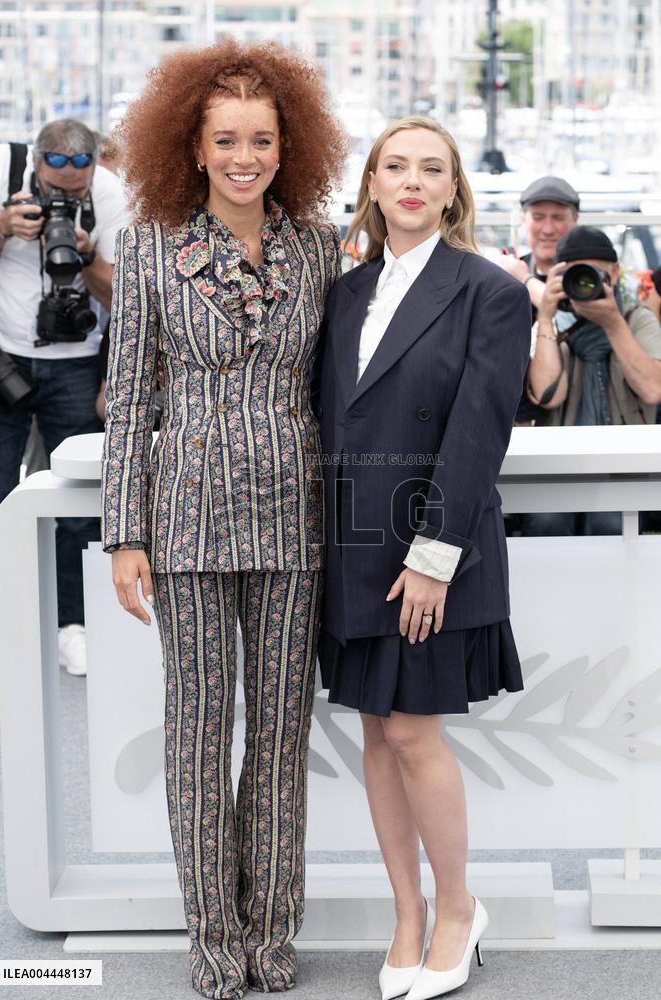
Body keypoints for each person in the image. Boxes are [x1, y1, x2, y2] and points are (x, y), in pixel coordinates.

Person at [101, 40, 346, 1000]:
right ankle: (212, 935)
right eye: (226, 141)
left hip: (294, 521)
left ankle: (272, 926)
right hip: (188, 524)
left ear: (290, 147)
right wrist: (126, 532)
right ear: (193, 150)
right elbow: (129, 400)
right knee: (198, 733)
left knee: (282, 735)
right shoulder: (154, 248)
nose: (245, 157)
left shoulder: (321, 248)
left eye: (263, 140)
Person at [316, 117, 530, 1000]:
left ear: (453, 190)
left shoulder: (491, 290)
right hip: (350, 545)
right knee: (374, 731)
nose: (411, 180)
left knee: (413, 731)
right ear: (371, 183)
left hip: (429, 544)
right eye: (395, 166)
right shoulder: (341, 294)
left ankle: (457, 907)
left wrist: (435, 555)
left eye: (430, 169)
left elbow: (482, 431)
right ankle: (405, 909)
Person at [0, 119, 129, 679]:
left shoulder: (112, 194)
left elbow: (125, 293)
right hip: (2, 359)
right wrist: (1, 228)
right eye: (55, 189)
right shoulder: (2, 168)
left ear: (95, 168)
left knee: (78, 508)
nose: (66, 196)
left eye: (77, 191)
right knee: (0, 499)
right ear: (35, 167)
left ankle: (73, 626)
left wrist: (85, 250)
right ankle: (7, 626)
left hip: (75, 364)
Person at [526, 226, 661, 535]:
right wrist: (545, 317)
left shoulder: (636, 320)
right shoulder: (551, 324)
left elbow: (653, 390)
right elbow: (549, 396)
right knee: (547, 522)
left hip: (625, 467)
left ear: (613, 273)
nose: (585, 284)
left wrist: (612, 323)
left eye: (595, 274)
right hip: (556, 468)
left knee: (610, 522)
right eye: (576, 275)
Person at [498, 175, 580, 426]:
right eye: (538, 217)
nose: (547, 229)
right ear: (523, 220)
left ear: (575, 221)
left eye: (558, 218)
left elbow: (574, 308)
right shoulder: (506, 270)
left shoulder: (586, 274)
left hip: (571, 417)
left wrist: (523, 280)